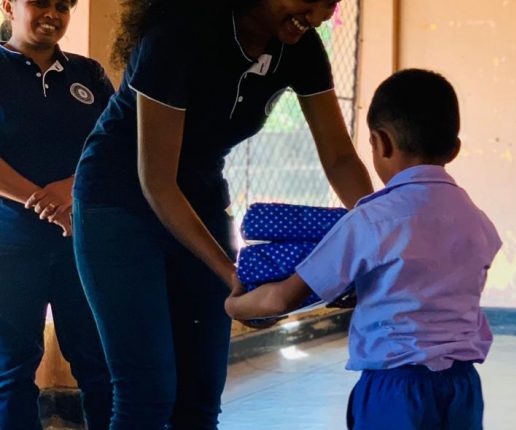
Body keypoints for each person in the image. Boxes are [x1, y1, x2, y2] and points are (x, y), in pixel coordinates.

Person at [71, 0, 373, 428]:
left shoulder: (300, 47)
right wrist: (233, 276)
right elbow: (158, 182)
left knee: (200, 397)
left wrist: (381, 237)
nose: (320, 15)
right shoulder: (178, 35)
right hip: (118, 203)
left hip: (201, 199)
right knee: (146, 395)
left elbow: (340, 158)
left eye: (331, 3)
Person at [226, 69, 502, 430]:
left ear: (380, 142)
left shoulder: (370, 221)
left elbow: (280, 300)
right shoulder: (478, 221)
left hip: (393, 389)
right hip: (462, 388)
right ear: (454, 149)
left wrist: (233, 305)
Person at [0, 0, 114, 429]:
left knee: (99, 361)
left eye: (63, 5)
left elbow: (116, 144)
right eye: (40, 2)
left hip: (82, 243)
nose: (53, 13)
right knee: (12, 367)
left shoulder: (89, 74)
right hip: (10, 247)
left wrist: (71, 187)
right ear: (9, 6)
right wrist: (42, 201)